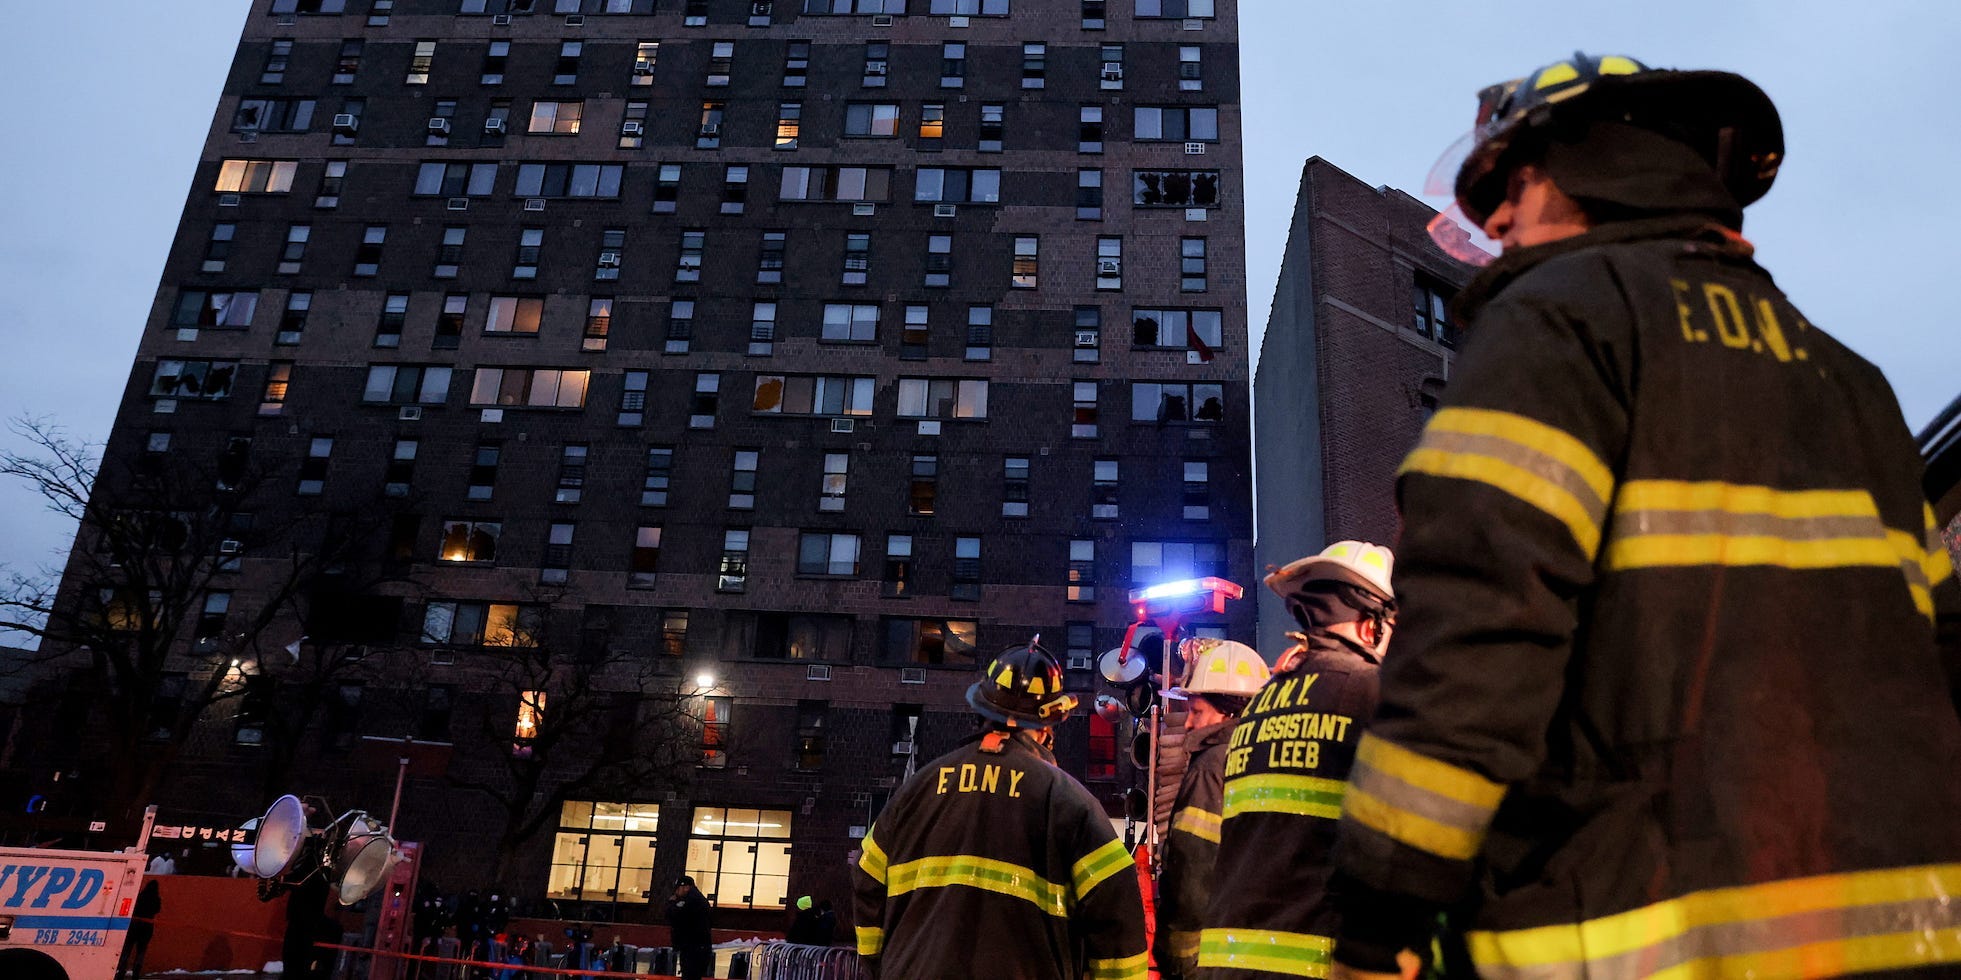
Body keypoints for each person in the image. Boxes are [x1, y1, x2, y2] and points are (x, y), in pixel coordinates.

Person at [1326, 53, 1961, 980]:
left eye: (1515, 183)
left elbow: (1476, 641)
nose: (1497, 219)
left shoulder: (1554, 324)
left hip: (1633, 933)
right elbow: (1936, 653)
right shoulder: (1850, 382)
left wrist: (1379, 913)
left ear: (1592, 165)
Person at [853, 641, 1147, 979]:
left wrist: (879, 964)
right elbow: (1118, 919)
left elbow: (866, 879)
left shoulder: (915, 790)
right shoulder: (1069, 803)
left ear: (982, 711)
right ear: (1047, 729)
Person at [1196, 543, 1395, 979]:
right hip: (1313, 965)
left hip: (1226, 964)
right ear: (1372, 627)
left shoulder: (1261, 704)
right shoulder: (1373, 693)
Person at [1154, 638, 1268, 980]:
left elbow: (1193, 864)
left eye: (1196, 711)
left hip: (1208, 951)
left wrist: (1177, 956)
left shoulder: (1211, 765)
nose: (1188, 724)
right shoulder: (1266, 757)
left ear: (1229, 711)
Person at [665, 875, 713, 980]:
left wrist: (672, 903)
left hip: (692, 948)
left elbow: (674, 915)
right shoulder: (698, 899)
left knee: (690, 975)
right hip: (698, 947)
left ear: (686, 887)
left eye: (678, 889)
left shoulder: (690, 900)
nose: (677, 892)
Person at [117, 879, 162, 978]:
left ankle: (121, 970)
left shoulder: (140, 896)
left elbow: (133, 907)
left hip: (134, 925)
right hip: (147, 927)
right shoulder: (156, 899)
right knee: (141, 951)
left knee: (127, 949)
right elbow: (157, 910)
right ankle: (136, 972)